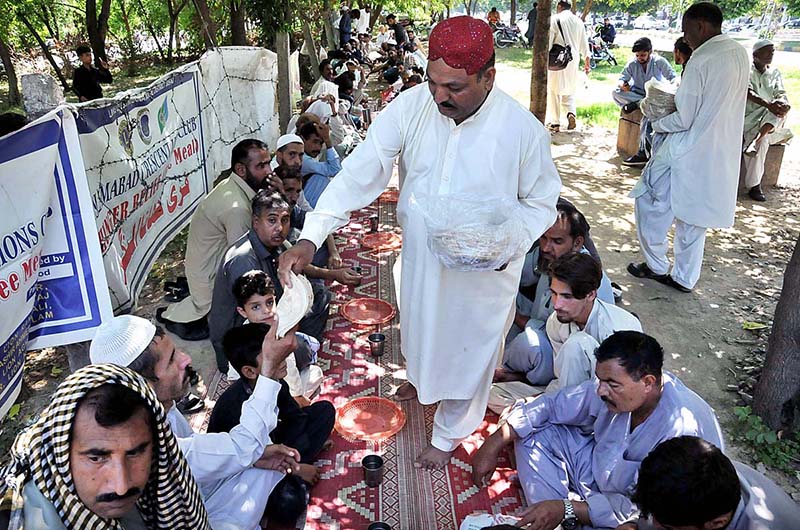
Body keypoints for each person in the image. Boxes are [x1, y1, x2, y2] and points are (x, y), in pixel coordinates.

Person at [278, 16, 561, 470]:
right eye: (434, 83)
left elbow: (542, 202)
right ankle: (422, 380)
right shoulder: (412, 107)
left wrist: (505, 243)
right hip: (424, 260)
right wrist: (313, 235)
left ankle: (448, 435)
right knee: (420, 330)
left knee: (470, 350)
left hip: (486, 273)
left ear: (489, 76)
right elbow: (361, 170)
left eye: (454, 86)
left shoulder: (522, 131)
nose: (440, 96)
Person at [472, 331, 724, 530]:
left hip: (639, 510)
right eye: (600, 380)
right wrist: (492, 444)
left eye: (612, 384)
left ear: (647, 383)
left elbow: (654, 510)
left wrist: (568, 507)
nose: (601, 390)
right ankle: (557, 518)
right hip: (595, 471)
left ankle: (561, 513)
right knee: (535, 432)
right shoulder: (607, 388)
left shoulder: (683, 430)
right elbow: (551, 406)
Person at [89, 315, 300, 530]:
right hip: (188, 522)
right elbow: (242, 447)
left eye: (177, 351)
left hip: (198, 497)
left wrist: (253, 458)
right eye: (171, 359)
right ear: (143, 385)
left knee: (264, 463)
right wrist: (268, 371)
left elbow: (199, 455)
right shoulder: (141, 443)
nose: (185, 359)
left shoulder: (160, 408)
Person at [628, 2, 749, 293]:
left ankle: (657, 265)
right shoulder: (738, 52)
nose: (685, 37)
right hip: (718, 150)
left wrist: (656, 120)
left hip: (686, 148)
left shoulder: (702, 58)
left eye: (686, 29)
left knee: (649, 202)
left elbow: (684, 117)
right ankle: (684, 277)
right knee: (694, 218)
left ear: (701, 26)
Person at [0, 363, 210, 529]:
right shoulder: (27, 520)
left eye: (136, 452)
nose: (121, 486)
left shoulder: (158, 485)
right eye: (96, 458)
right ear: (61, 453)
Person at [209, 191, 360, 373]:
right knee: (303, 349)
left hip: (264, 316)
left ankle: (301, 349)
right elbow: (257, 319)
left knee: (319, 295)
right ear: (256, 222)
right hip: (242, 344)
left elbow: (301, 264)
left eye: (285, 220)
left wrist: (334, 274)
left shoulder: (274, 242)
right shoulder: (243, 260)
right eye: (272, 220)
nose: (280, 228)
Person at [489, 201, 616, 413]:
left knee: (530, 345)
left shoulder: (592, 290)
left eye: (557, 241)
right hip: (549, 336)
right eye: (544, 238)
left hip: (566, 367)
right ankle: (522, 378)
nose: (547, 247)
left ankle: (527, 381)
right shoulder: (548, 256)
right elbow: (518, 274)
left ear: (577, 243)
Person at [208, 323, 334, 526]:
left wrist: (294, 451)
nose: (283, 358)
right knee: (289, 502)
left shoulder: (277, 383)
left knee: (324, 412)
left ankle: (294, 470)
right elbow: (243, 459)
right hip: (243, 470)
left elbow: (295, 418)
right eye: (272, 357)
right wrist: (297, 468)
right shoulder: (231, 408)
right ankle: (287, 484)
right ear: (249, 371)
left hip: (273, 445)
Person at [159, 139, 282, 340]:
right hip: (209, 282)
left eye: (269, 163)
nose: (269, 171)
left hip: (209, 268)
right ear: (241, 170)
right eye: (261, 166)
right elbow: (244, 263)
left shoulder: (235, 187)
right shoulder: (237, 209)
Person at [620, 436, 800, 530]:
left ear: (717, 523)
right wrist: (634, 524)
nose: (654, 525)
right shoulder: (701, 476)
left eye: (669, 529)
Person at [542, 253, 641, 392]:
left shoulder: (617, 329)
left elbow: (627, 387)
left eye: (567, 297)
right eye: (554, 293)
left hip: (616, 395)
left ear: (590, 295)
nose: (557, 305)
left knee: (576, 344)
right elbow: (563, 376)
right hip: (577, 394)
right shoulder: (556, 321)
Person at [230, 269, 324, 400]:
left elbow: (290, 373)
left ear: (275, 300)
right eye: (256, 307)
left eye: (269, 302)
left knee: (311, 361)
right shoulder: (240, 340)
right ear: (243, 311)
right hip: (264, 394)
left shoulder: (279, 328)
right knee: (314, 373)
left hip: (280, 383)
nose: (266, 311)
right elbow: (235, 379)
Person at [612, 37, 677, 167]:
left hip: (654, 95)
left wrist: (671, 88)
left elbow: (673, 77)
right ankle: (640, 102)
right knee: (615, 92)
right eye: (637, 55)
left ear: (650, 52)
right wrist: (622, 85)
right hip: (637, 94)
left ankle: (640, 103)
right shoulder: (632, 63)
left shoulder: (659, 61)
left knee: (648, 115)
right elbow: (621, 79)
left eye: (643, 55)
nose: (640, 58)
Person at [742, 39, 792, 202]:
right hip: (751, 118)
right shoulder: (746, 71)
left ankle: (756, 138)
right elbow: (747, 92)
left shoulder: (775, 73)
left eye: (772, 51)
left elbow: (781, 93)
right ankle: (754, 186)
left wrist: (784, 104)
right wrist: (768, 105)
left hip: (771, 118)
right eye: (767, 51)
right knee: (763, 144)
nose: (771, 54)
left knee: (778, 113)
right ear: (755, 55)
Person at [547, 1, 591, 131]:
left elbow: (549, 42)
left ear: (559, 7)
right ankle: (571, 113)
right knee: (570, 88)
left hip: (558, 59)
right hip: (573, 59)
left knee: (553, 89)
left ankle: (555, 122)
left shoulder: (555, 19)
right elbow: (584, 43)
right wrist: (587, 58)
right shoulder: (578, 22)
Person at [298, 121, 342, 209]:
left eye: (321, 143)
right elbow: (335, 170)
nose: (318, 148)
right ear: (303, 140)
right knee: (320, 179)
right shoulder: (304, 160)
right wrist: (327, 141)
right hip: (301, 207)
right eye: (315, 142)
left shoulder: (307, 156)